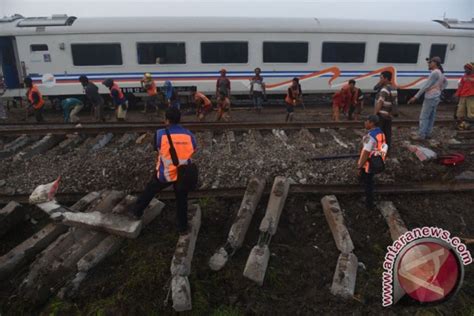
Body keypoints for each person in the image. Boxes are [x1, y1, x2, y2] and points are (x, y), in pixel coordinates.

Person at [128, 107, 197, 233]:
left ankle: (136, 212)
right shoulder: (189, 134)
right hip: (184, 174)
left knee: (150, 190)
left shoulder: (160, 134)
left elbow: (157, 149)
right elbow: (193, 149)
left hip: (165, 173)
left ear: (166, 120)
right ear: (179, 119)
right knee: (182, 200)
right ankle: (182, 228)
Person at [408, 56, 448, 140]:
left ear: (434, 63)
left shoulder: (434, 73)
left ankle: (421, 135)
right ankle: (427, 133)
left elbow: (426, 86)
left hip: (430, 97)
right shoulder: (440, 72)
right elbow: (446, 82)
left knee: (424, 117)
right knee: (431, 117)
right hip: (436, 97)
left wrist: (415, 97)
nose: (428, 64)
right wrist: (440, 90)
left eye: (430, 62)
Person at [357, 115, 388, 210]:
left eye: (366, 121)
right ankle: (367, 199)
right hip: (377, 161)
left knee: (368, 183)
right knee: (368, 181)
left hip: (368, 164)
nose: (365, 123)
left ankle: (369, 204)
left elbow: (365, 153)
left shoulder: (370, 137)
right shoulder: (380, 133)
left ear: (372, 123)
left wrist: (359, 166)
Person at [374, 71, 398, 150]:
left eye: (381, 78)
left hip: (381, 114)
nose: (380, 80)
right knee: (387, 133)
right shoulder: (394, 88)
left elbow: (380, 102)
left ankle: (379, 150)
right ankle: (387, 150)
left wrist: (375, 114)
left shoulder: (384, 89)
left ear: (386, 78)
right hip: (388, 115)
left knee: (379, 133)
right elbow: (394, 102)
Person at [455, 63, 474, 130]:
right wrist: (457, 94)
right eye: (465, 69)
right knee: (460, 111)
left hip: (471, 96)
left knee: (471, 111)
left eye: (467, 69)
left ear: (470, 69)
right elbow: (460, 86)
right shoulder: (464, 77)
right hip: (463, 95)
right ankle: (462, 124)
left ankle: (470, 124)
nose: (465, 70)